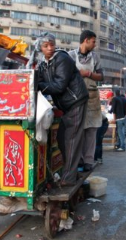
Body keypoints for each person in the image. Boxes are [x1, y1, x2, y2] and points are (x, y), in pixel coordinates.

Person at [36, 32, 89, 186]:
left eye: (52, 44)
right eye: (46, 46)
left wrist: (37, 86)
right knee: (61, 139)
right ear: (40, 48)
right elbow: (39, 79)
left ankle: (69, 177)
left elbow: (59, 86)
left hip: (76, 101)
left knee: (71, 139)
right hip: (66, 105)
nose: (50, 48)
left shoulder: (61, 58)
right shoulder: (43, 63)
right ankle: (71, 171)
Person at [69, 30, 104, 171]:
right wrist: (78, 74)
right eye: (93, 41)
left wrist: (88, 74)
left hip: (92, 97)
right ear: (86, 40)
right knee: (79, 130)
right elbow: (68, 74)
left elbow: (101, 77)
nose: (95, 44)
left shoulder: (95, 57)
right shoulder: (71, 56)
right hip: (76, 97)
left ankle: (89, 160)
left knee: (91, 130)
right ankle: (79, 161)